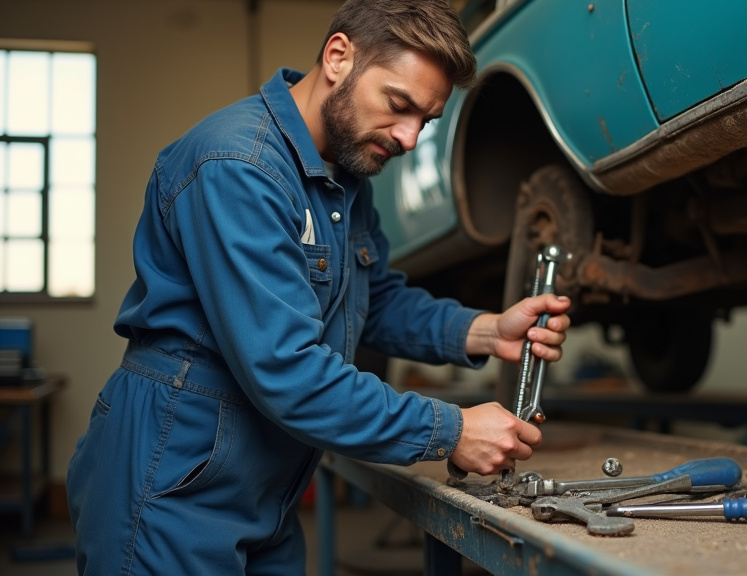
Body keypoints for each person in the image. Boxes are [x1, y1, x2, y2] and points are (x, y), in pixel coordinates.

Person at [65, 2, 571, 574]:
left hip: (267, 487)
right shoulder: (240, 167)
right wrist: (449, 430)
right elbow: (286, 369)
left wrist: (484, 331)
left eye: (424, 122)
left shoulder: (346, 176)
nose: (408, 138)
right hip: (173, 479)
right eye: (399, 106)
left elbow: (371, 299)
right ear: (338, 57)